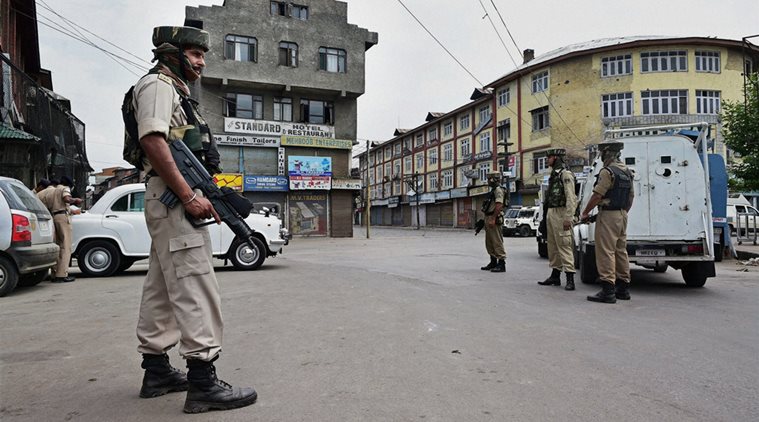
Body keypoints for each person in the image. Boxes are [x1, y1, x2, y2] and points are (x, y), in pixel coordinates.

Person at [127, 25, 256, 413]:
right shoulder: (158, 86)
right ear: (171, 53)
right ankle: (203, 382)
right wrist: (187, 195)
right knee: (196, 283)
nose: (200, 62)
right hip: (174, 199)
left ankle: (157, 371)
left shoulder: (177, 93)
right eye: (194, 54)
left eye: (203, 55)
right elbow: (152, 139)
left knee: (163, 286)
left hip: (169, 199)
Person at [580, 140, 635, 304]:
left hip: (609, 215)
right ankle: (623, 288)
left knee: (606, 252)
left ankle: (608, 290)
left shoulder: (607, 172)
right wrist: (622, 212)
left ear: (607, 153)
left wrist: (585, 212)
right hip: (622, 214)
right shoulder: (626, 172)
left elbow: (597, 195)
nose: (601, 156)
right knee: (620, 251)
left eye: (602, 153)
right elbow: (631, 197)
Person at [538, 149, 578, 290]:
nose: (547, 160)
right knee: (553, 246)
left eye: (549, 157)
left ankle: (570, 278)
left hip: (561, 212)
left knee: (564, 244)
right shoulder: (553, 175)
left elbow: (571, 197)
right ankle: (555, 276)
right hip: (551, 213)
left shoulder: (565, 174)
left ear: (556, 158)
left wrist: (568, 217)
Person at [38, 176, 82, 283]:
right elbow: (66, 199)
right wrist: (76, 200)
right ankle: (62, 275)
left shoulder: (52, 191)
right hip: (63, 218)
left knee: (57, 246)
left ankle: (54, 273)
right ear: (69, 185)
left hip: (53, 218)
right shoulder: (64, 189)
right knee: (66, 247)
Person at [480, 172, 507, 273]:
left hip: (494, 218)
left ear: (493, 179)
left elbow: (499, 205)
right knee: (489, 242)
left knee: (496, 241)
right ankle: (493, 261)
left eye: (489, 179)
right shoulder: (493, 190)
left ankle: (501, 263)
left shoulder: (498, 190)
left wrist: (493, 218)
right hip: (489, 217)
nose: (488, 181)